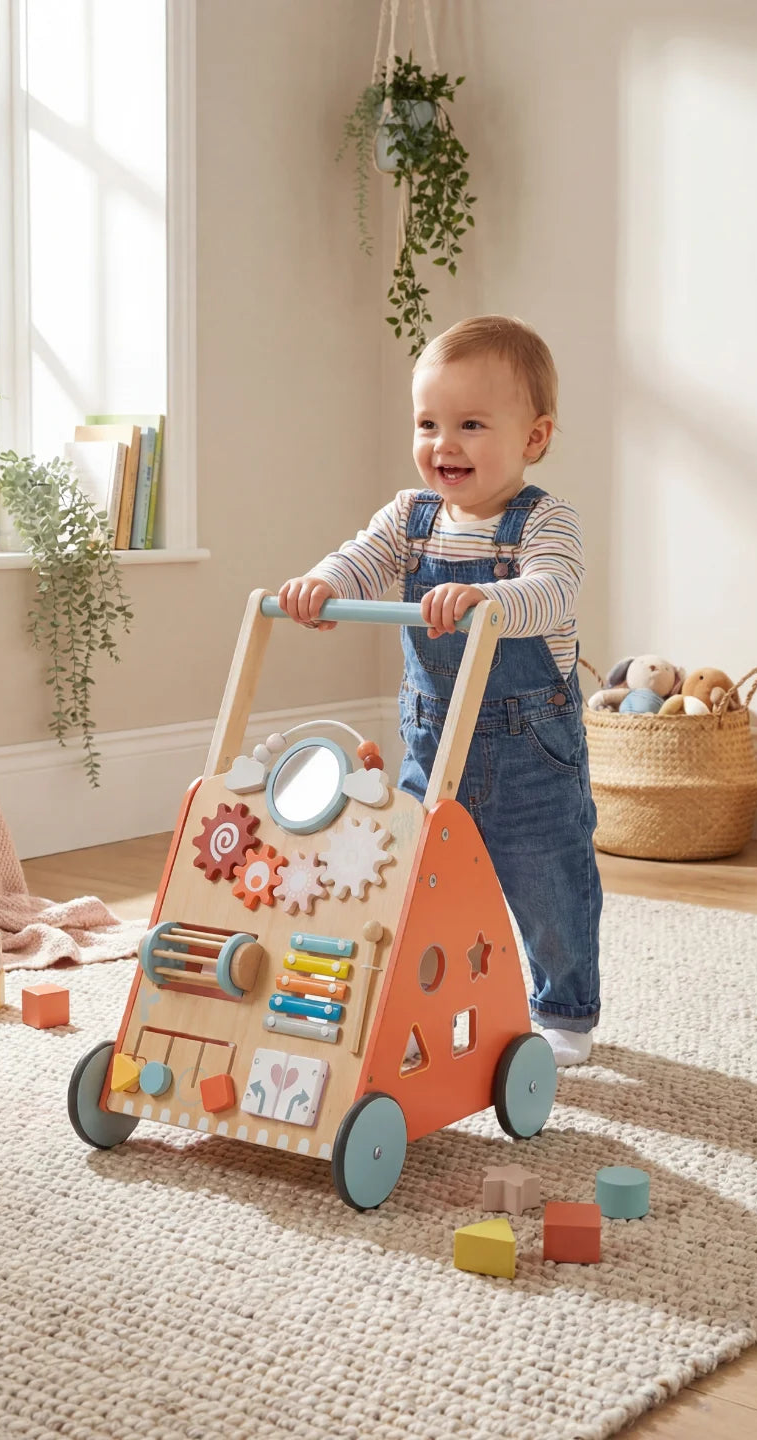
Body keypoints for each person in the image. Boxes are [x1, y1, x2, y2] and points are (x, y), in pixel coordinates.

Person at [278, 315, 601, 1066]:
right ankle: (415, 1000)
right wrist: (324, 585)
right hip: (431, 743)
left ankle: (564, 1012)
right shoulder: (409, 517)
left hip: (531, 758)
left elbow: (554, 592)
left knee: (548, 882)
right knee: (416, 881)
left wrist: (488, 601)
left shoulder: (545, 524)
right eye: (428, 423)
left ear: (534, 438)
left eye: (471, 424)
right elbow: (361, 557)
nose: (443, 444)